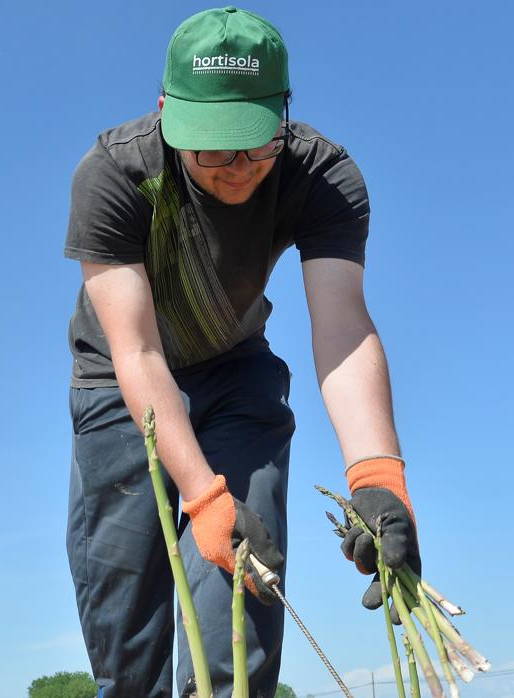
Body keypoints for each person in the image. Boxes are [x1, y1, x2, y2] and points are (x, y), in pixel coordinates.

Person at [63, 7, 423, 697]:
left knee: (242, 593)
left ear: (282, 113)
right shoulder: (114, 173)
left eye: (256, 146)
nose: (237, 171)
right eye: (213, 149)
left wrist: (379, 475)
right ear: (167, 111)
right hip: (117, 385)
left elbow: (343, 327)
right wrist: (200, 497)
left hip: (234, 372)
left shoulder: (322, 177)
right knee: (126, 632)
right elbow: (135, 351)